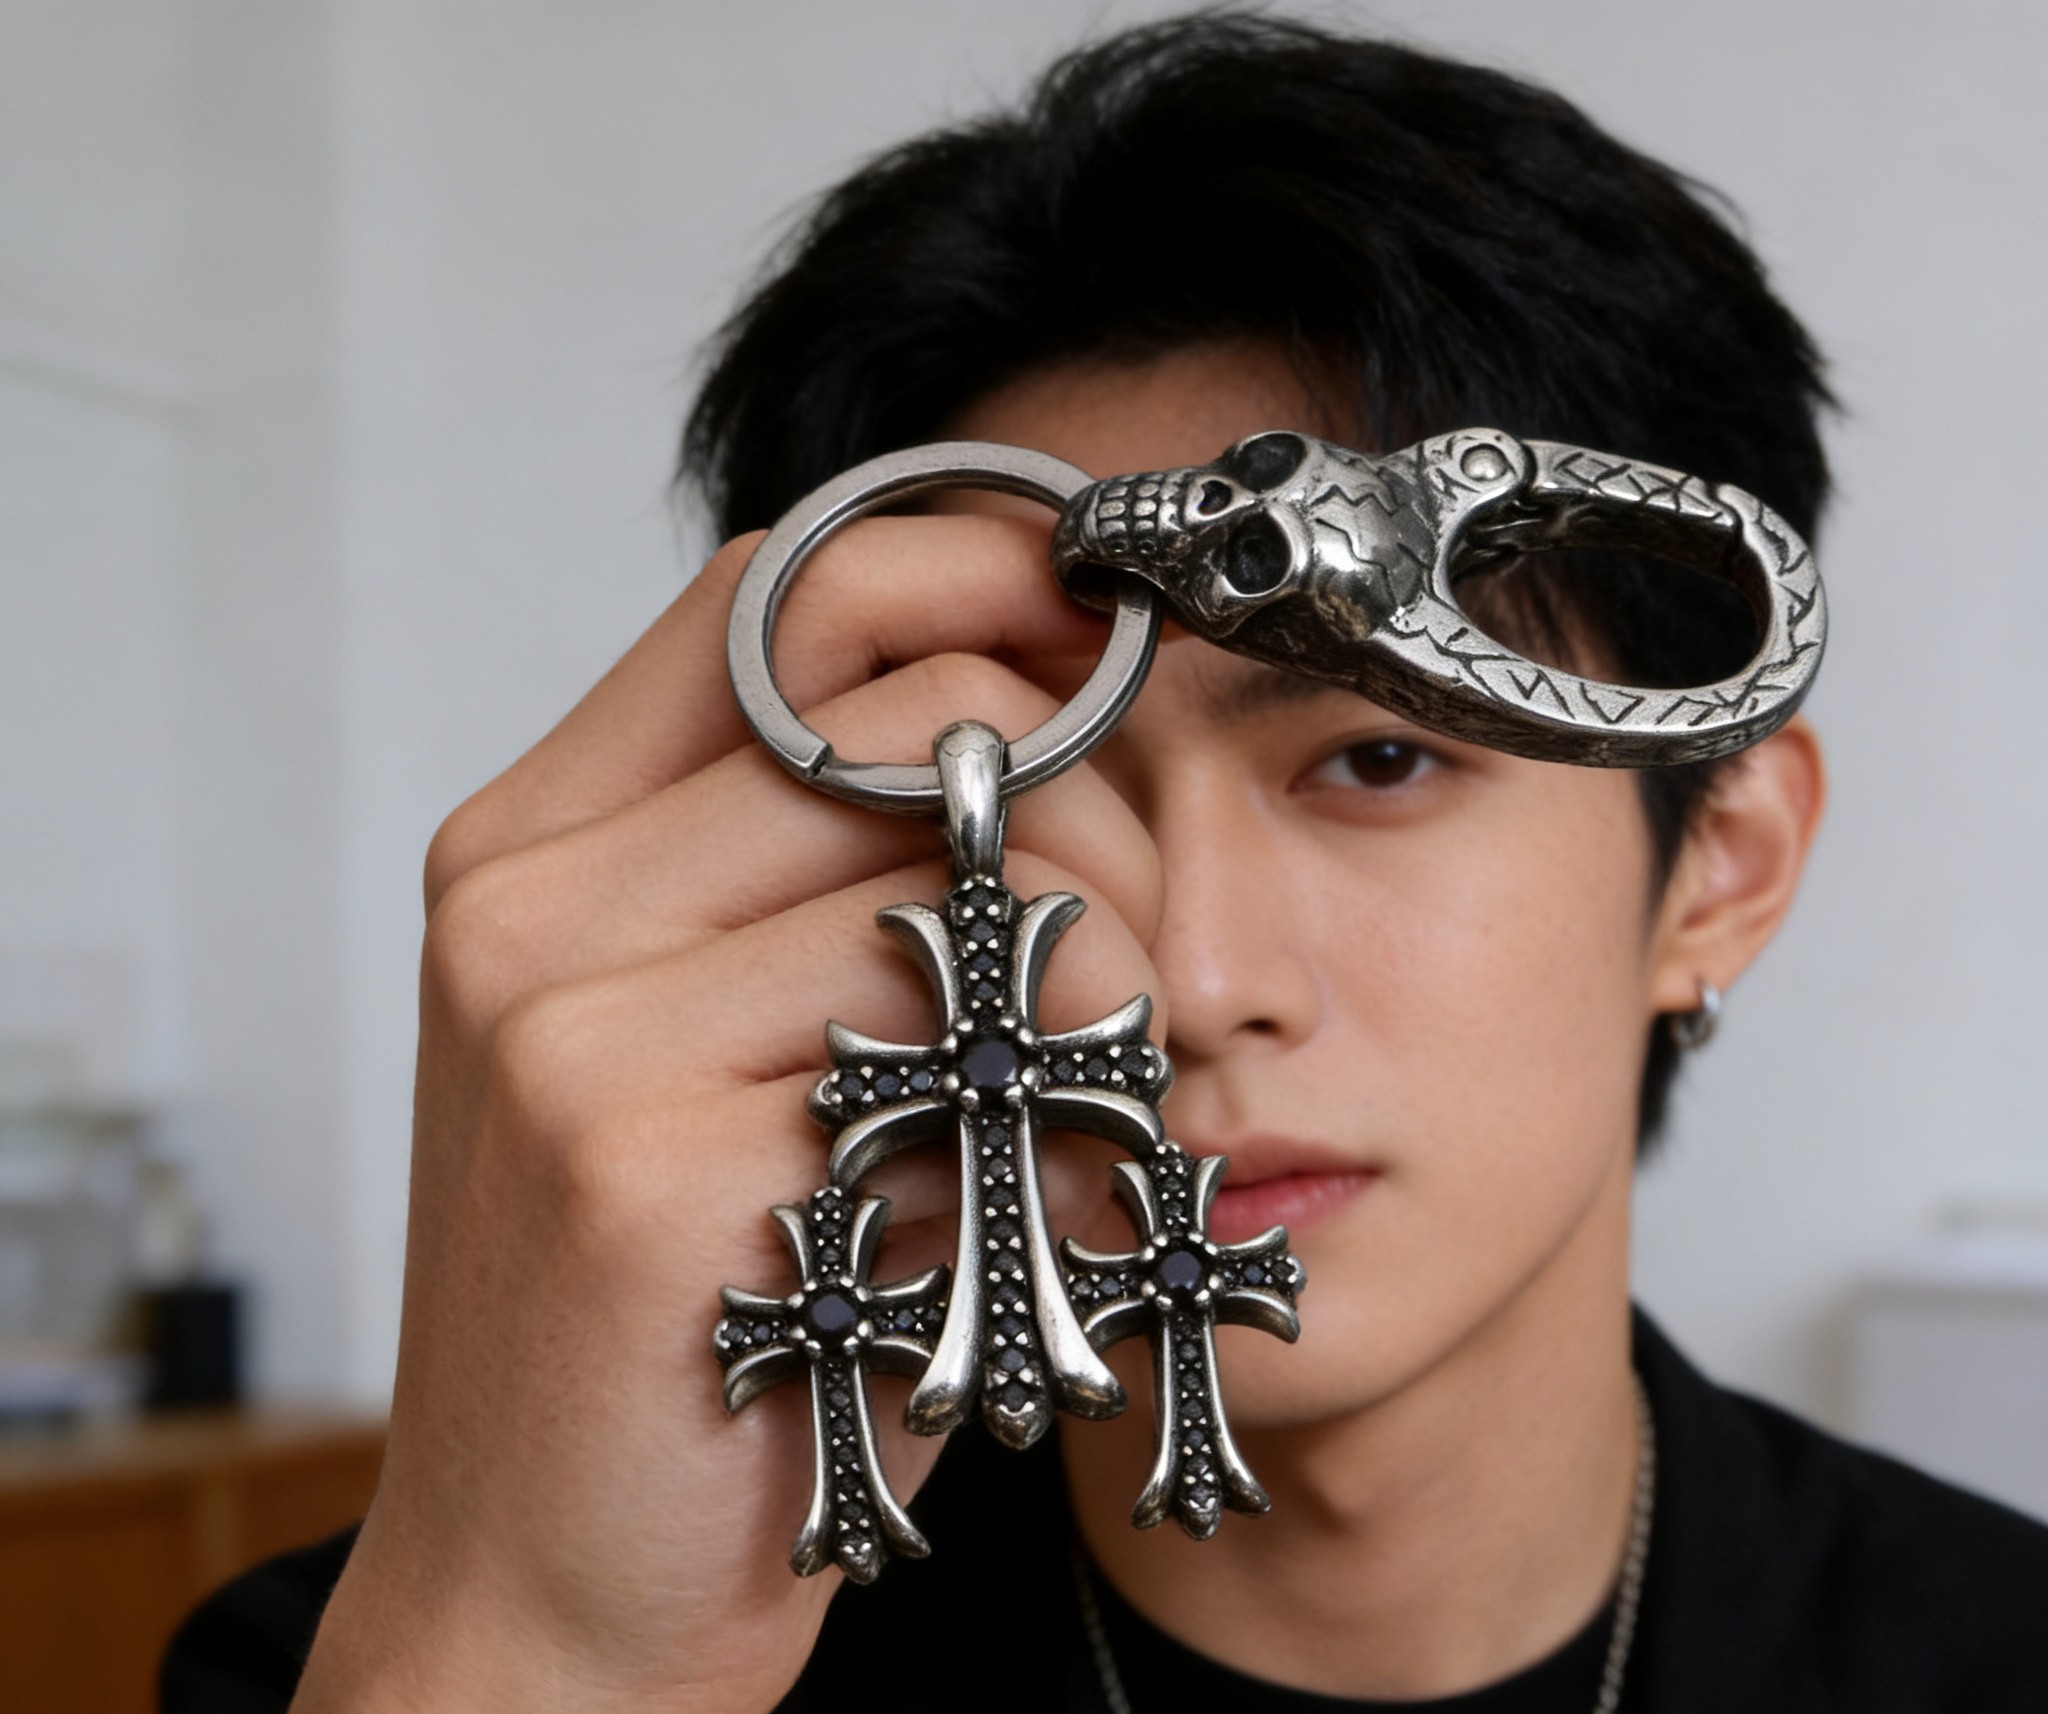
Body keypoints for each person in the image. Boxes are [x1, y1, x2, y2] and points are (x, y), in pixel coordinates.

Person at [164, 15, 2048, 1713]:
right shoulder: (412, 1655)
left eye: (1378, 758)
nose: (1186, 979)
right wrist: (536, 1652)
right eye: (1029, 780)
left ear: (1720, 867)